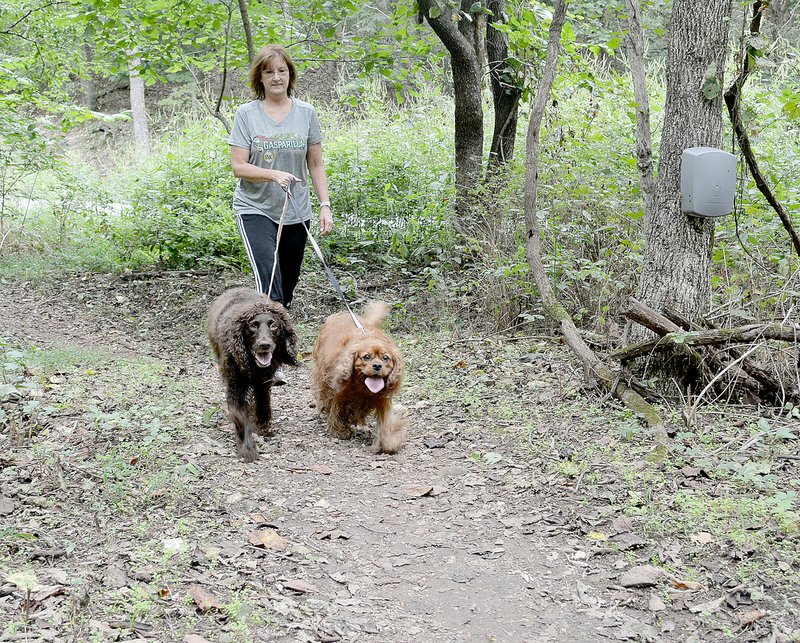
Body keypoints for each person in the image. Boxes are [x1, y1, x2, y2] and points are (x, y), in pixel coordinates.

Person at [228, 44, 333, 384]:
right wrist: (272, 174)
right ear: (260, 77)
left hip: (296, 211)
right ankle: (264, 366)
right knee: (270, 282)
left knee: (285, 288)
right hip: (256, 209)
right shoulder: (247, 114)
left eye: (282, 71)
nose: (277, 77)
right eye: (269, 71)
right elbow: (238, 166)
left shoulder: (306, 113)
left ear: (290, 75)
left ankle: (267, 346)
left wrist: (324, 205)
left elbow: (315, 163)